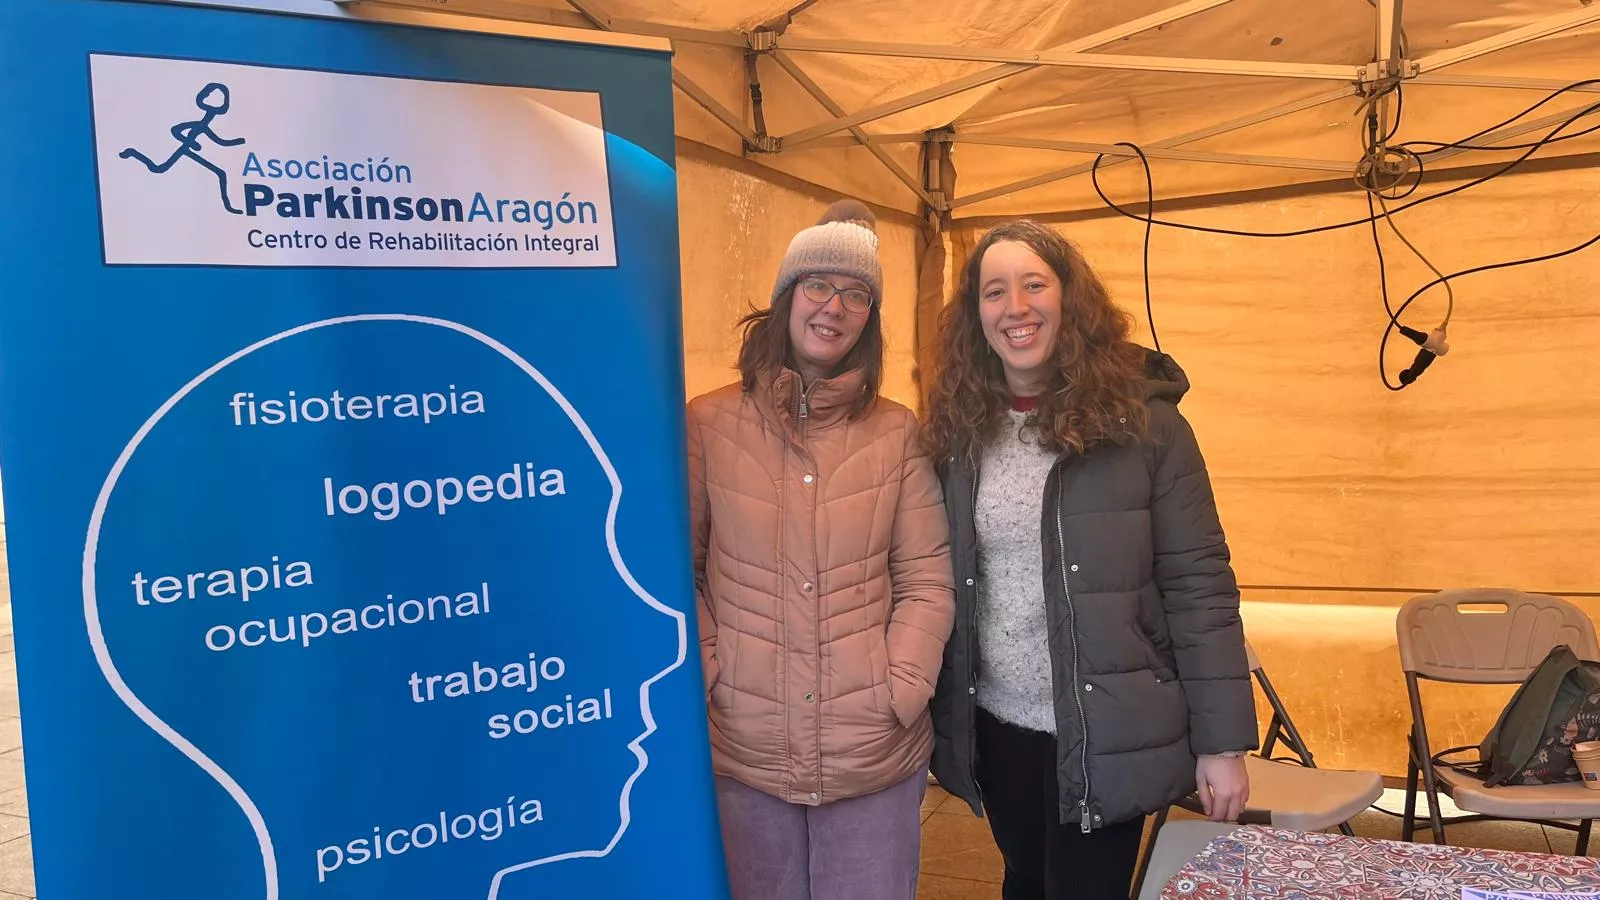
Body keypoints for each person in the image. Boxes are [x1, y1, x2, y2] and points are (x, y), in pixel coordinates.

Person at [922, 219, 1257, 900]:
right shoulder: (960, 430)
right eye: (994, 291)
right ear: (975, 315)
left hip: (1108, 729)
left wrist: (1222, 744)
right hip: (998, 725)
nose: (1015, 307)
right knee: (1024, 880)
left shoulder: (1148, 427)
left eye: (1034, 284)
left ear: (1070, 298)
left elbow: (1200, 587)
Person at [687, 199, 956, 900]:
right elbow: (681, 572)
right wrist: (713, 673)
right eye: (818, 285)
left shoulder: (897, 432)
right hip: (745, 747)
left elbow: (927, 579)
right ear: (786, 296)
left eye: (856, 294)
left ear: (870, 318)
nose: (834, 307)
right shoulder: (708, 423)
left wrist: (901, 686)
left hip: (872, 750)